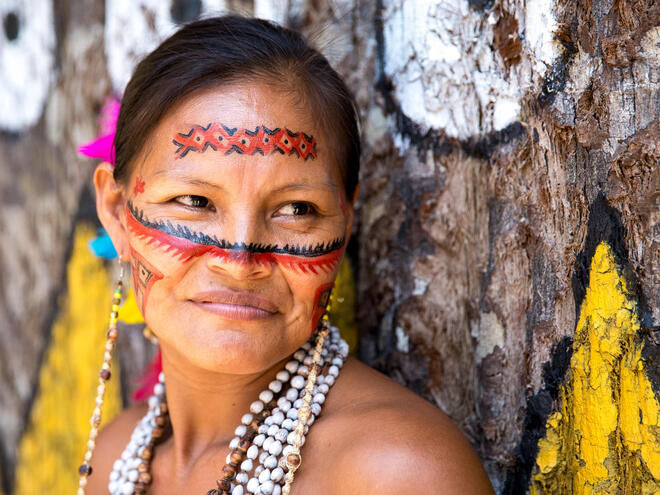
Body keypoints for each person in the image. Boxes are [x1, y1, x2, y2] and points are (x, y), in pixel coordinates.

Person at [84, 15, 495, 495]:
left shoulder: (400, 472)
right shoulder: (115, 458)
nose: (238, 258)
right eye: (195, 203)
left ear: (347, 217)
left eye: (296, 209)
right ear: (116, 212)